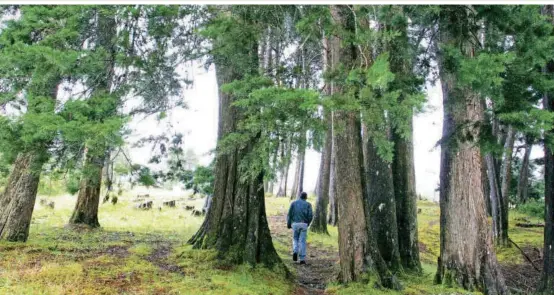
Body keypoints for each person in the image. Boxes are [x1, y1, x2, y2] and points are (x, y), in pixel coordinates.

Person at [286, 192, 313, 264]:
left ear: (299, 196)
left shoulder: (293, 203)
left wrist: (288, 224)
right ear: (306, 197)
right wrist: (307, 223)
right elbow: (310, 215)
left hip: (295, 224)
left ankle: (295, 251)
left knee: (295, 239)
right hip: (304, 224)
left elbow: (289, 214)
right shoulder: (308, 204)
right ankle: (302, 259)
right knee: (302, 241)